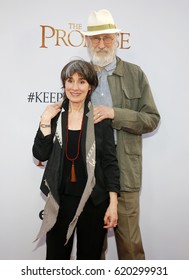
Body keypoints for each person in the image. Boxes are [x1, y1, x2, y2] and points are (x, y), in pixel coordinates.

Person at [82, 9, 160, 260]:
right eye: (95, 39)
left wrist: (115, 113)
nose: (101, 44)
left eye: (106, 37)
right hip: (89, 174)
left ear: (116, 38)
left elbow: (151, 119)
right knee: (93, 249)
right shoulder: (80, 77)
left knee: (130, 248)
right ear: (87, 42)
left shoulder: (135, 74)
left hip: (125, 172)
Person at [32, 59, 120, 260]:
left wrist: (113, 204)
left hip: (94, 202)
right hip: (60, 201)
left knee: (89, 260)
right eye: (70, 81)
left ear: (90, 86)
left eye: (81, 81)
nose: (75, 87)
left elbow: (110, 164)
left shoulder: (99, 119)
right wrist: (44, 121)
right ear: (64, 84)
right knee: (56, 260)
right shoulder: (54, 116)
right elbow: (40, 155)